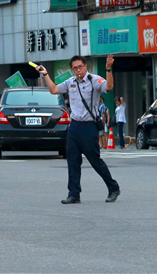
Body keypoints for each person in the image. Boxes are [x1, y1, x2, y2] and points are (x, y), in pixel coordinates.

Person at [37, 55, 120, 204]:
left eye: (80, 66)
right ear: (72, 70)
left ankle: (113, 187)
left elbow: (109, 87)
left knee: (95, 160)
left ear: (85, 66)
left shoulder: (94, 80)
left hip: (89, 126)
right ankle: (74, 193)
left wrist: (108, 68)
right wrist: (46, 75)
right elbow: (54, 90)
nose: (78, 70)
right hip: (74, 125)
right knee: (73, 161)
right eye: (75, 68)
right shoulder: (71, 82)